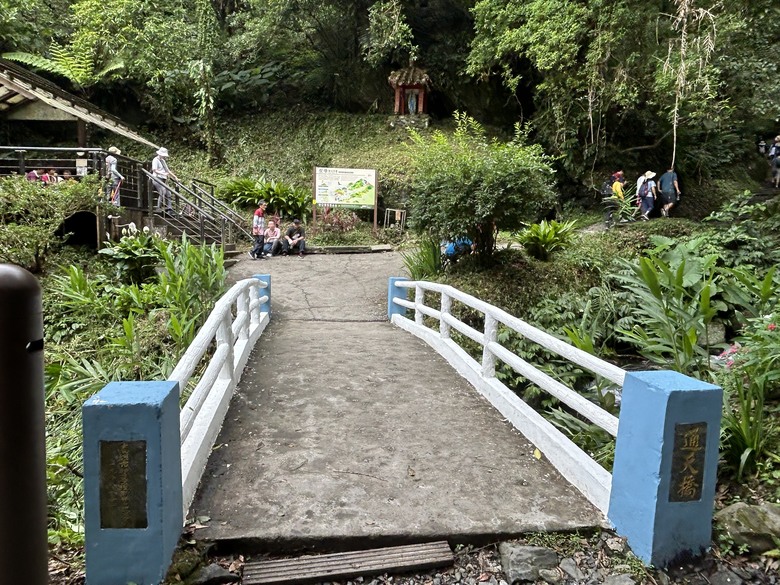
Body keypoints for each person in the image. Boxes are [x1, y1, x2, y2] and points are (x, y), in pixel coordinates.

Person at [152, 147, 178, 213]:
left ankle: (170, 208)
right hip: (157, 178)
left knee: (168, 193)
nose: (164, 156)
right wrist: (163, 173)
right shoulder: (155, 160)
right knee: (162, 191)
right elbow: (154, 170)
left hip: (163, 178)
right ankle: (158, 207)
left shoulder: (163, 161)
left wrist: (175, 177)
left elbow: (167, 170)